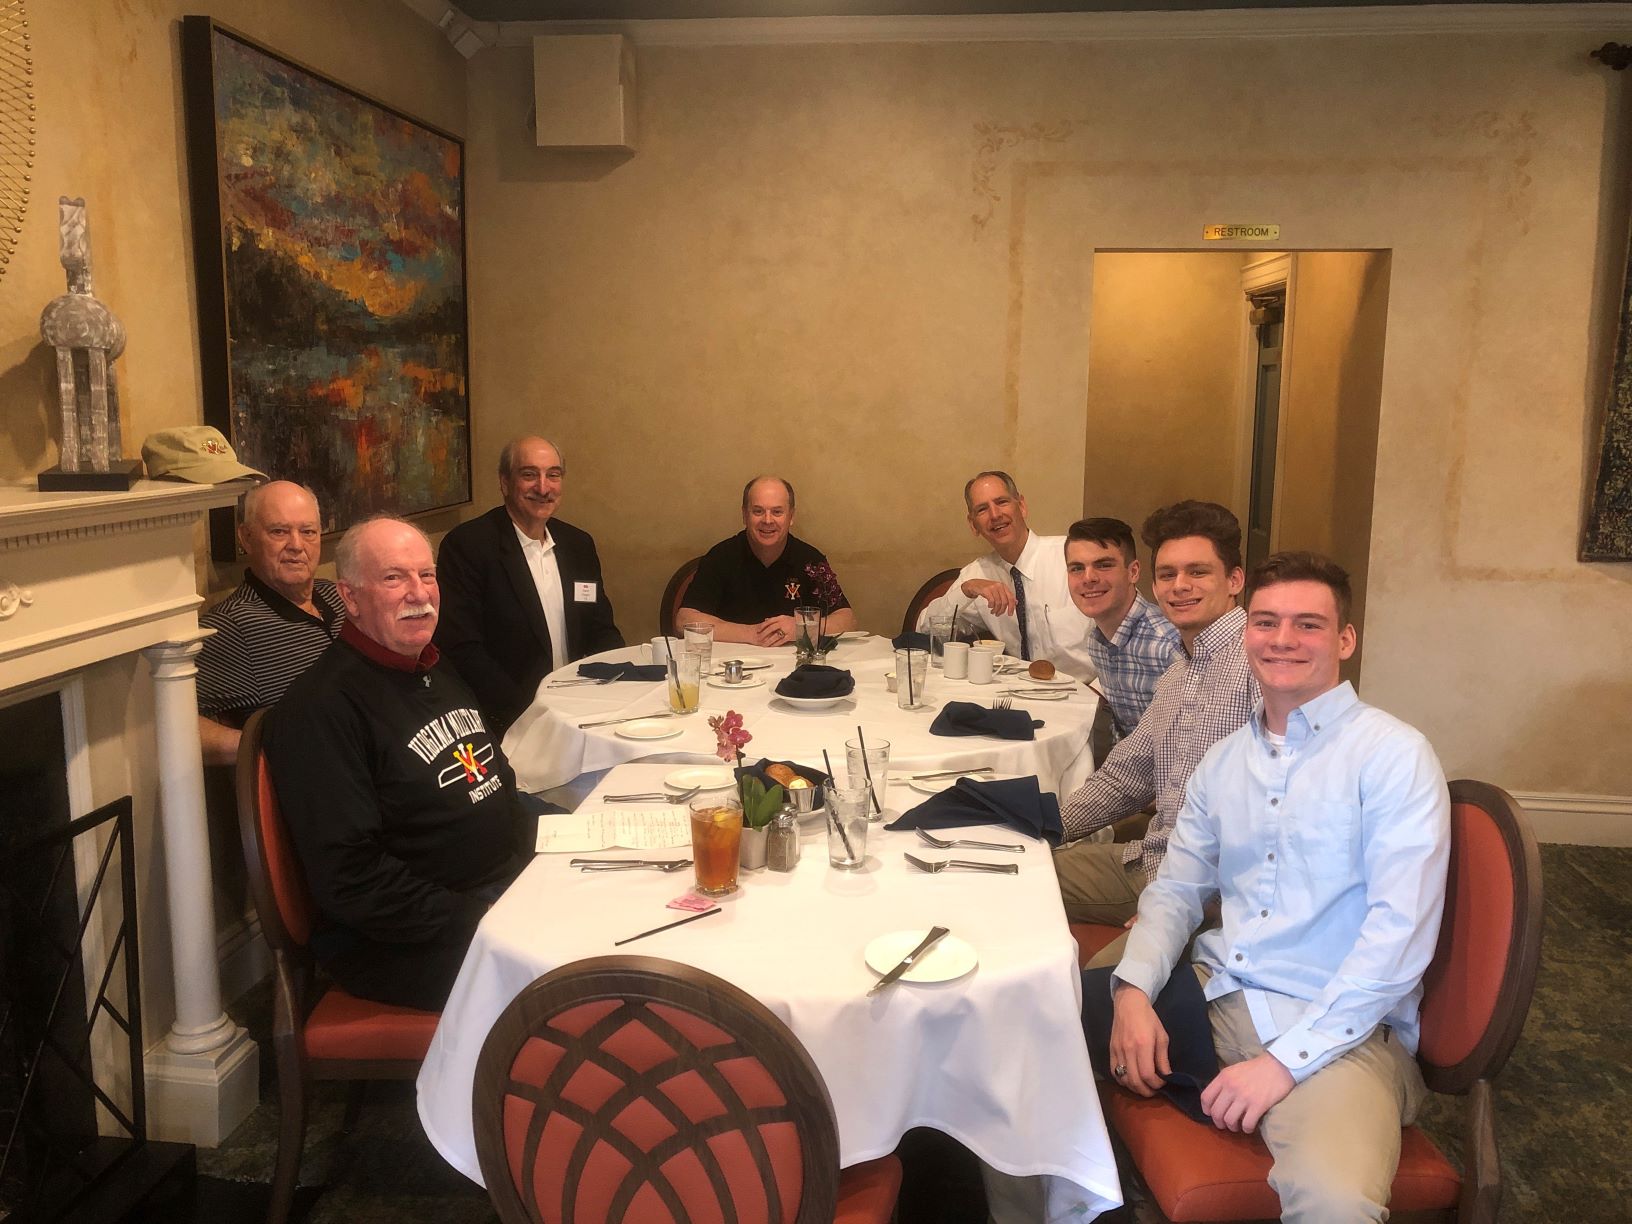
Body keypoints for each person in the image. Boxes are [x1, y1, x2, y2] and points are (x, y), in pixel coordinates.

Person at [1107, 551, 1449, 1223]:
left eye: (1308, 624)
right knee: (1034, 1016)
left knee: (1334, 1205)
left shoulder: (1393, 757)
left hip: (1335, 1029)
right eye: (1266, 622)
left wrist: (1283, 1065)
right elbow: (1175, 890)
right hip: (1217, 990)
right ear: (1246, 633)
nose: (1283, 639)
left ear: (1345, 639)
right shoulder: (1225, 761)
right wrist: (1131, 993)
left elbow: (1397, 939)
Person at [263, 517, 529, 1011]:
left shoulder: (432, 664)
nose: (418, 593)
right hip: (405, 943)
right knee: (586, 972)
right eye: (394, 578)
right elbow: (353, 878)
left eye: (426, 576)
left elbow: (497, 781)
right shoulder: (321, 710)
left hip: (495, 888)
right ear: (350, 597)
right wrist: (483, 917)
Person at [1053, 500, 1258, 968]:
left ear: (1234, 580)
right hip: (1150, 858)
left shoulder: (1258, 666)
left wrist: (1180, 906)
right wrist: (1039, 827)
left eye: (1197, 572)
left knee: (1095, 991)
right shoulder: (1180, 673)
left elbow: (1274, 817)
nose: (1179, 586)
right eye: (1168, 575)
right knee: (1013, 875)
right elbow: (1125, 776)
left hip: (1209, 896)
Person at [435, 436, 624, 735]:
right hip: (508, 719)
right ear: (505, 482)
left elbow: (602, 629)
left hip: (579, 709)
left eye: (553, 474)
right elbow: (463, 650)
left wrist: (611, 687)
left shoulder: (578, 544)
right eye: (528, 474)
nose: (543, 487)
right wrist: (534, 711)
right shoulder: (469, 546)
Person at [196, 481, 344, 766]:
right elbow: (173, 727)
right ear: (247, 538)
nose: (296, 546)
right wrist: (268, 747)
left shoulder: (340, 596)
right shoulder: (229, 627)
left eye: (308, 532)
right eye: (279, 531)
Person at [915, 471, 1096, 679]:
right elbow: (925, 628)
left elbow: (1124, 624)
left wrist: (1098, 697)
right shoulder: (977, 574)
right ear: (973, 524)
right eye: (982, 509)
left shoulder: (1072, 557)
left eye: (1001, 502)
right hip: (1021, 697)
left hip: (1087, 696)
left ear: (1021, 506)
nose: (994, 515)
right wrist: (966, 590)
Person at [677, 475, 858, 646]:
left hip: (796, 667)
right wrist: (752, 634)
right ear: (744, 515)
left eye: (777, 512)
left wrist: (801, 627)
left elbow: (847, 620)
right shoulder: (720, 557)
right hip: (733, 668)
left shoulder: (811, 560)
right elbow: (684, 620)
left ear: (791, 516)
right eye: (758, 511)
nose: (767, 520)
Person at [1065, 516, 1181, 737]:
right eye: (1077, 568)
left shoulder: (1167, 644)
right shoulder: (1098, 641)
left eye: (1104, 565)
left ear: (1133, 572)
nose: (1088, 578)